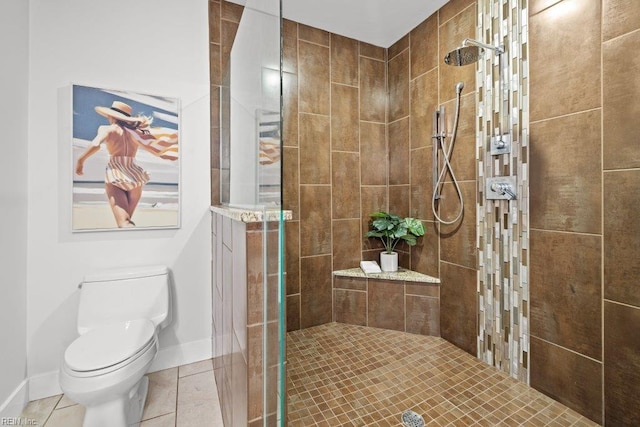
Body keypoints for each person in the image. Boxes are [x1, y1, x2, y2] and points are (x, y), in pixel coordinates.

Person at [75, 100, 177, 228]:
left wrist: (80, 161)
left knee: (123, 223)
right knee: (127, 221)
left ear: (111, 115)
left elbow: (96, 144)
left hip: (115, 173)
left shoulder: (107, 129)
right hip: (135, 174)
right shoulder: (136, 133)